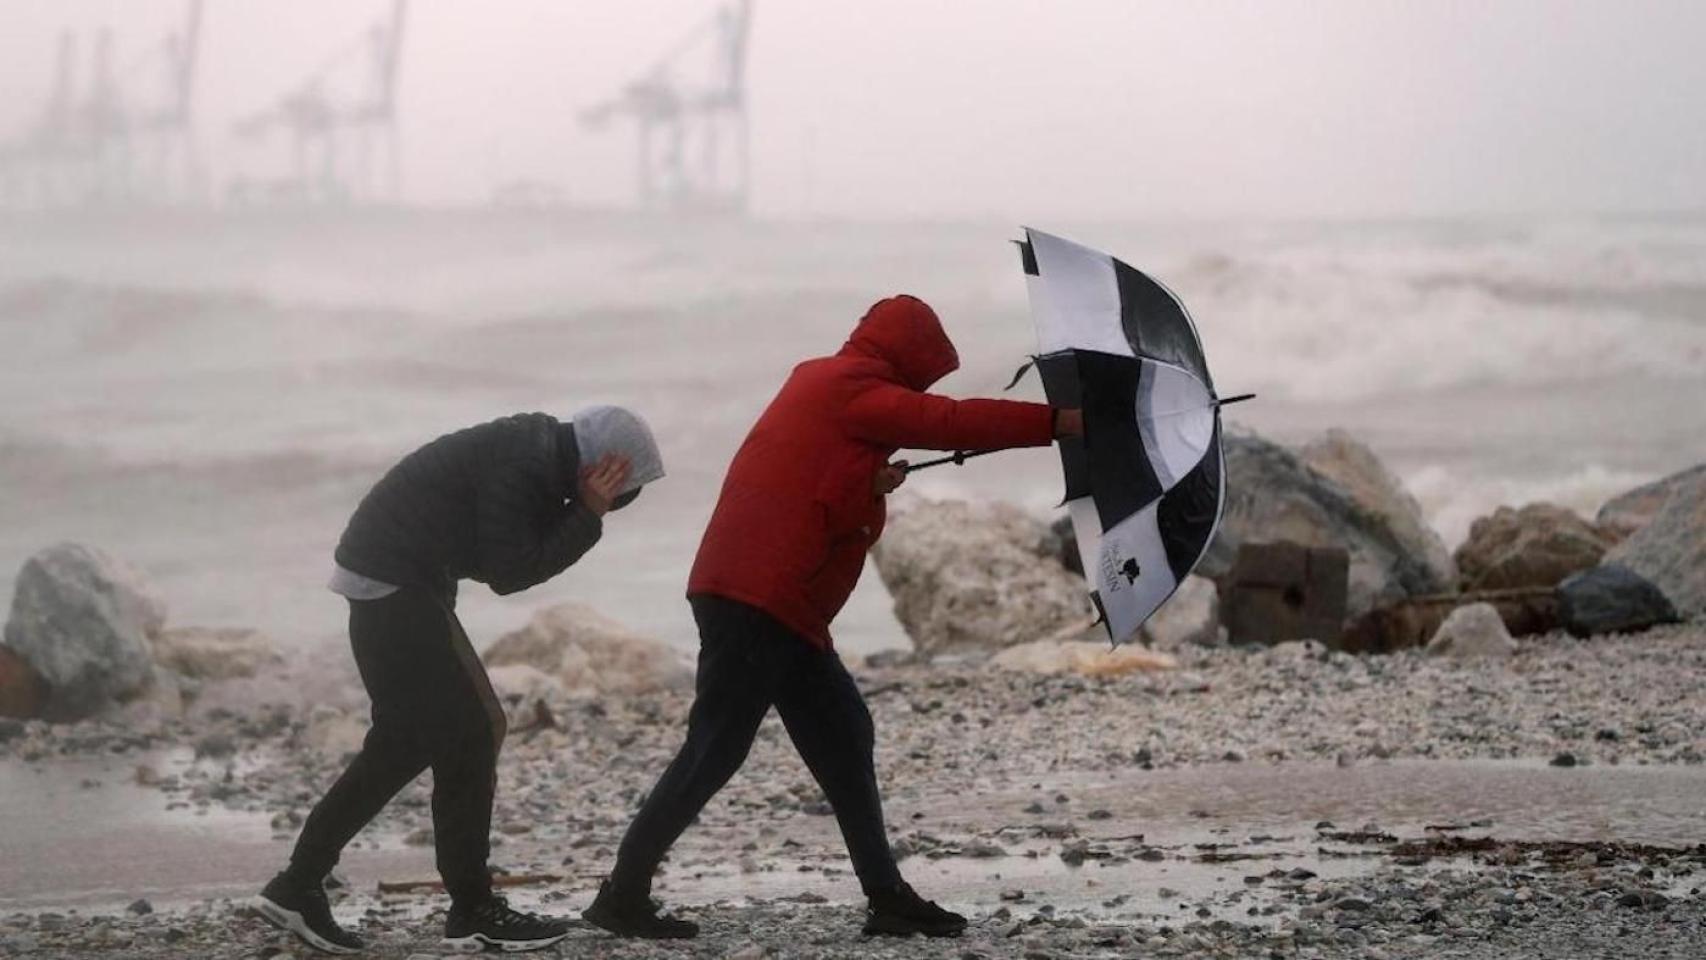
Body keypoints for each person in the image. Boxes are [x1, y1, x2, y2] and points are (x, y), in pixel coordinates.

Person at [582, 295, 1083, 940]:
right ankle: (621, 896)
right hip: (756, 597)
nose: (923, 384)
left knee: (844, 735)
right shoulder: (849, 386)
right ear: (907, 356)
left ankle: (888, 897)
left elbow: (812, 488)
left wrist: (865, 483)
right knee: (714, 750)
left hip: (777, 603)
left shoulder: (823, 384)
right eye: (924, 369)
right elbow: (950, 422)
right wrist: (1061, 421)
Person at [256, 407, 664, 955]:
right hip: (393, 584)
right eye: (621, 489)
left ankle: (299, 884)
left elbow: (487, 545)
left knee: (410, 742)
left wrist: (580, 508)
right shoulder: (527, 462)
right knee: (475, 728)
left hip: (397, 581)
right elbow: (510, 571)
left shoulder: (539, 456)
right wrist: (587, 515)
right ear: (603, 465)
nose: (620, 502)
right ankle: (471, 907)